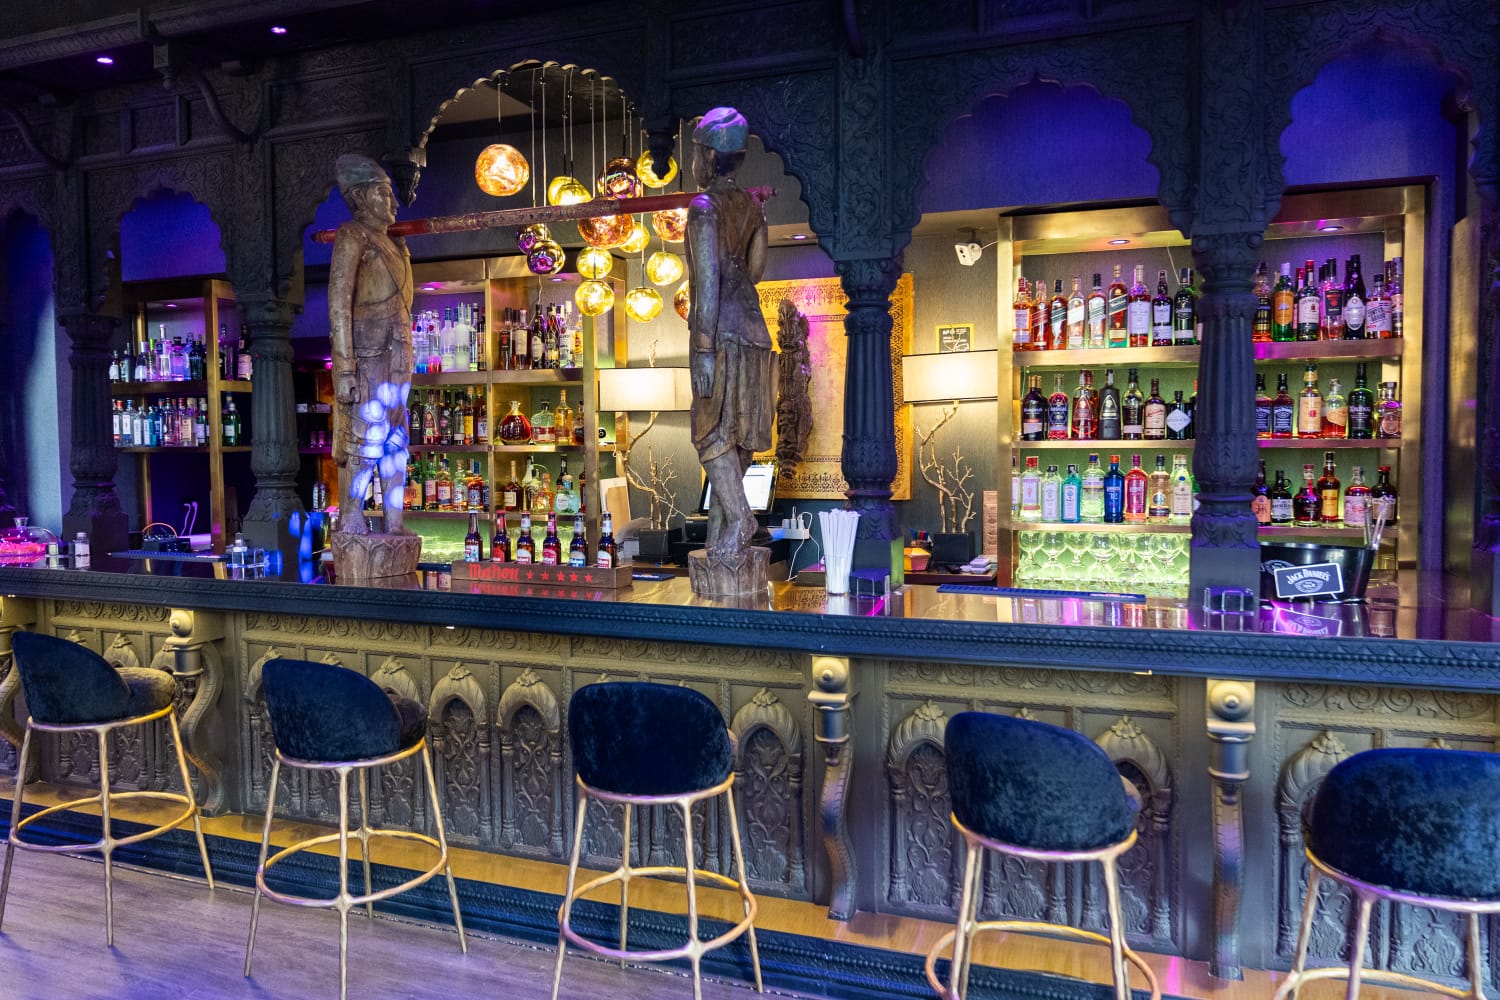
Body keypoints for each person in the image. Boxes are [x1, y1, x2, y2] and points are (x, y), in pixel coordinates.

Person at [685, 108, 775, 560]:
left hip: (719, 334)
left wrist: (703, 348)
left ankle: (740, 520)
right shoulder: (752, 207)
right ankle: (721, 542)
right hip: (755, 331)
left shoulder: (704, 208)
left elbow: (708, 281)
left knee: (710, 433)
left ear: (707, 155)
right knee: (736, 436)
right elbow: (755, 271)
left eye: (695, 152)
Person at [327, 154, 414, 535]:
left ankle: (394, 522)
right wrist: (345, 368)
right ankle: (351, 516)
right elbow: (338, 303)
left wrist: (403, 252)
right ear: (361, 197)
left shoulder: (393, 243)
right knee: (364, 442)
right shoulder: (353, 235)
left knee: (397, 443)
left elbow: (404, 301)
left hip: (398, 358)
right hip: (368, 357)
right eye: (383, 192)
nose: (392, 201)